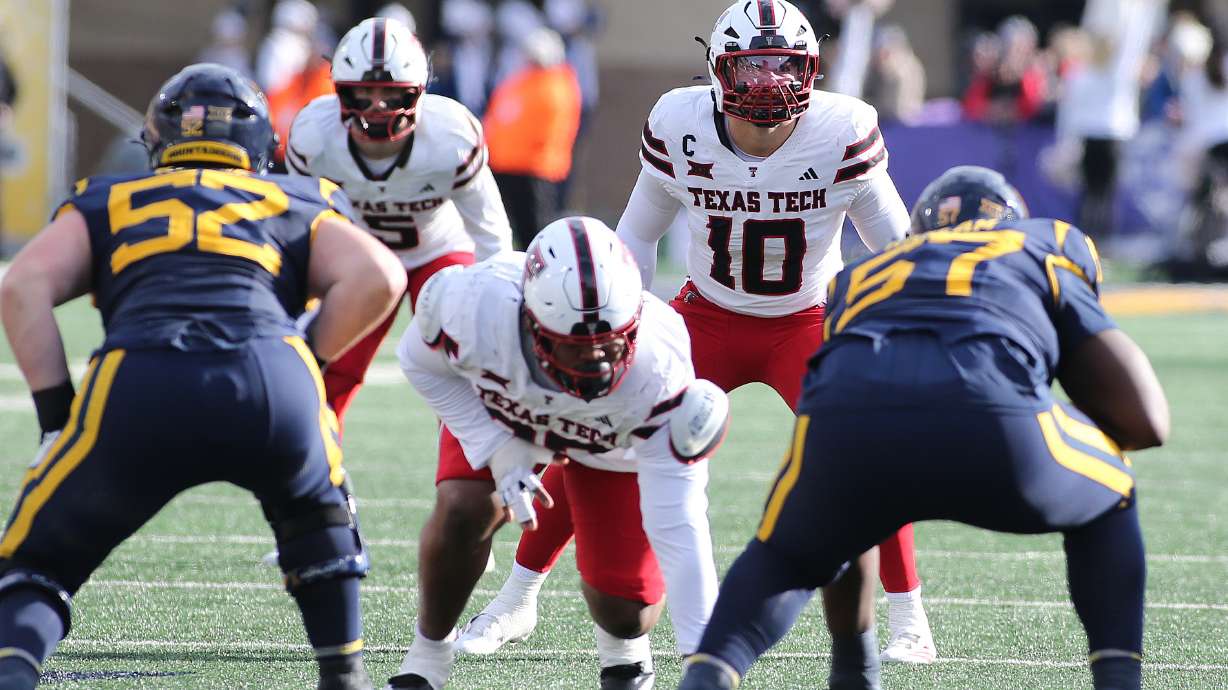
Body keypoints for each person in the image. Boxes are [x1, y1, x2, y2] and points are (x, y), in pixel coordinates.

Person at [460, 0, 937, 665]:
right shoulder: (681, 122)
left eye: (784, 68)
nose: (769, 85)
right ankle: (517, 598)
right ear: (716, 70)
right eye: (752, 69)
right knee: (595, 433)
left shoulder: (842, 129)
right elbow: (635, 240)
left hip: (803, 319)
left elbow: (899, 252)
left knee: (868, 451)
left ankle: (909, 616)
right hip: (701, 316)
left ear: (812, 71)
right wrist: (617, 333)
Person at [677, 166, 1170, 690]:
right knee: (1114, 487)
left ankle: (814, 674)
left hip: (848, 430)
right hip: (996, 427)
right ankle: (1119, 679)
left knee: (788, 552)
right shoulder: (1049, 241)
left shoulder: (857, 278)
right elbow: (1146, 420)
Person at [0, 63, 407, 690]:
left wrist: (57, 416)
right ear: (262, 145)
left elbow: (22, 284)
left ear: (157, 139)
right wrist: (309, 362)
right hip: (270, 381)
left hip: (141, 382)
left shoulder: (108, 197)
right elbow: (381, 277)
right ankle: (343, 674)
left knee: (36, 566)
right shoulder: (295, 198)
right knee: (318, 521)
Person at [388, 217, 729, 690]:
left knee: (627, 610)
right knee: (466, 507)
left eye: (610, 343)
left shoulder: (660, 365)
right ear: (531, 324)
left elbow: (679, 521)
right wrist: (496, 449)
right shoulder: (476, 306)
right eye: (576, 349)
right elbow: (420, 363)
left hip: (607, 443)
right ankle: (426, 660)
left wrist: (703, 659)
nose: (599, 364)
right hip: (507, 415)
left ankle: (625, 653)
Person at [286, 16, 512, 427]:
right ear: (339, 91)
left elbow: (490, 229)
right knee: (331, 363)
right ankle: (311, 459)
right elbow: (301, 229)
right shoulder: (314, 136)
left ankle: (469, 475)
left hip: (439, 248)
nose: (376, 107)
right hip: (360, 262)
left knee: (467, 362)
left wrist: (495, 300)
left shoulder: (450, 136)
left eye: (391, 95)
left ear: (419, 91)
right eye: (363, 93)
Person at [483, 26, 583, 248]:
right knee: (501, 224)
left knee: (535, 227)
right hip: (505, 165)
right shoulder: (520, 81)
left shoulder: (556, 84)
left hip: (534, 168)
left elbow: (552, 130)